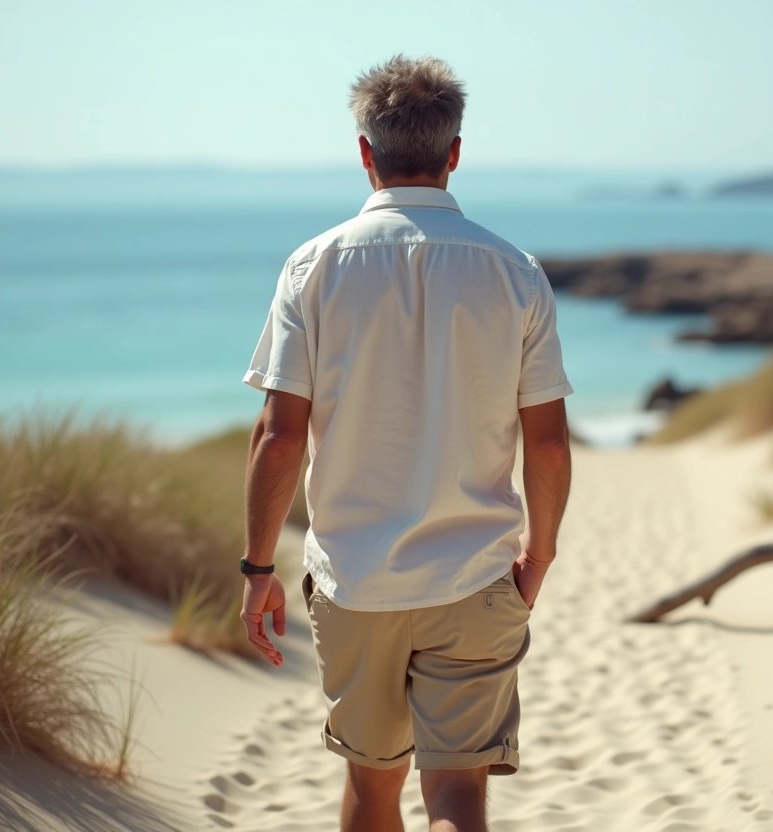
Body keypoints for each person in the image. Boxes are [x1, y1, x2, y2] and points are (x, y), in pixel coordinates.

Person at [237, 55, 573, 832]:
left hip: (356, 582)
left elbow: (279, 437)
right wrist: (539, 557)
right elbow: (550, 445)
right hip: (475, 575)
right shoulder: (516, 272)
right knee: (456, 794)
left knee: (371, 786)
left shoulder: (311, 267)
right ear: (455, 151)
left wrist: (257, 570)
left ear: (365, 151)